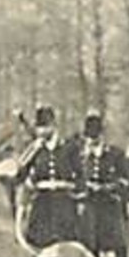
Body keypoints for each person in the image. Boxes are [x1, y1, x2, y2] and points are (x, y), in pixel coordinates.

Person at [76, 113, 129, 257]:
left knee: (119, 245)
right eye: (88, 138)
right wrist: (85, 188)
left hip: (109, 205)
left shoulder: (115, 154)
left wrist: (108, 187)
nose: (91, 142)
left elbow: (125, 180)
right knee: (90, 245)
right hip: (90, 205)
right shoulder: (82, 156)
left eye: (94, 137)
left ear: (101, 136)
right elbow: (77, 177)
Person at [19, 105, 82, 249]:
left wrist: (79, 199)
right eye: (39, 127)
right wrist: (33, 150)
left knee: (65, 242)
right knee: (39, 242)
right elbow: (21, 173)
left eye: (45, 126)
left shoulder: (69, 147)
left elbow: (80, 175)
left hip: (64, 201)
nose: (41, 131)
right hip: (42, 202)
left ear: (54, 126)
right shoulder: (36, 149)